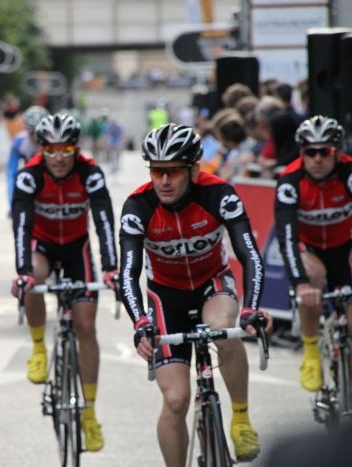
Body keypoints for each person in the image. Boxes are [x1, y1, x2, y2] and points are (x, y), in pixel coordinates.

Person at [119, 123, 272, 466]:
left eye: (173, 171)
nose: (164, 181)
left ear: (193, 169)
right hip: (165, 297)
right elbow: (127, 273)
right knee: (175, 400)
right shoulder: (138, 206)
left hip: (212, 284)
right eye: (157, 171)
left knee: (222, 327)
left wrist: (252, 308)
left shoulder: (219, 195)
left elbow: (249, 255)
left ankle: (241, 418)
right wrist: (140, 321)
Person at [10, 112, 118, 452]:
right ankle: (39, 347)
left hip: (76, 247)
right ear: (41, 148)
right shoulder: (30, 175)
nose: (58, 156)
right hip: (41, 245)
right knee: (35, 278)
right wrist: (23, 270)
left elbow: (103, 222)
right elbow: (21, 227)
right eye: (51, 149)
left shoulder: (90, 172)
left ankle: (89, 412)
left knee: (86, 327)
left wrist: (111, 267)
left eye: (66, 148)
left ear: (77, 147)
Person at [274, 115, 352, 400]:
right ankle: (311, 348)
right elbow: (286, 236)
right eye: (311, 152)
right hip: (308, 249)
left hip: (344, 252)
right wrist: (299, 283)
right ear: (302, 153)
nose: (318, 159)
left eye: (326, 151)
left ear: (338, 152)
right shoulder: (290, 180)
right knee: (313, 277)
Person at [6, 105, 49, 211]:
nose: (36, 137)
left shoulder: (52, 141)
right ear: (26, 129)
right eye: (32, 133)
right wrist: (13, 204)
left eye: (39, 133)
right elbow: (11, 174)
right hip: (30, 175)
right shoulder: (19, 142)